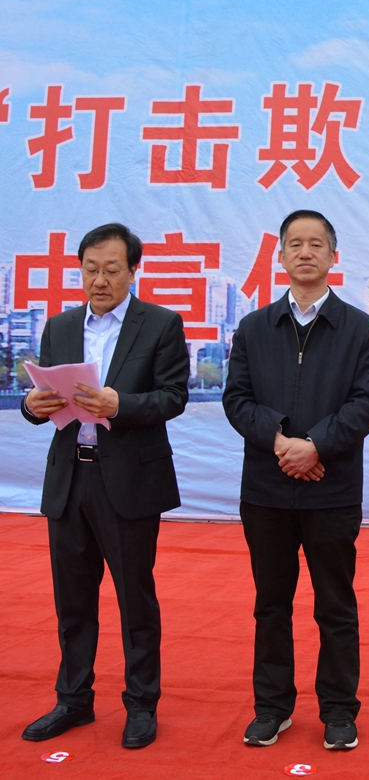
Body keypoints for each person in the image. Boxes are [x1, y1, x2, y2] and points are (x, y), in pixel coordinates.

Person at [20, 222, 189, 749]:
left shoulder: (160, 324)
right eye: (90, 269)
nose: (99, 280)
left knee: (135, 599)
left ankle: (141, 704)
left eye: (111, 269)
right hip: (70, 477)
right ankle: (73, 700)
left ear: (133, 270)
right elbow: (45, 398)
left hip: (129, 480)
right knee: (72, 599)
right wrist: (31, 405)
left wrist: (121, 404)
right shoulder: (60, 327)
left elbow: (174, 397)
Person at [222, 210, 369, 751]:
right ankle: (272, 707)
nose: (305, 252)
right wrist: (281, 441)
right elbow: (236, 399)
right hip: (266, 491)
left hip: (331, 489)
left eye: (316, 244)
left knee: (336, 604)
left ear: (334, 256)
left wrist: (315, 445)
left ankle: (339, 709)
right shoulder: (253, 328)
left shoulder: (360, 329)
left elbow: (368, 403)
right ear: (281, 256)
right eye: (295, 244)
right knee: (271, 604)